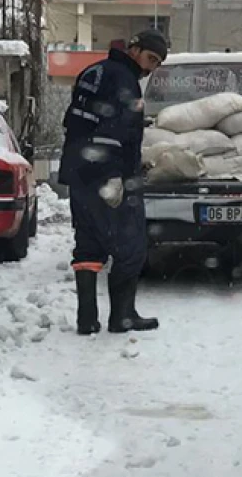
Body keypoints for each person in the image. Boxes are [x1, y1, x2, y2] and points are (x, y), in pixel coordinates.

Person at [59, 30, 168, 335]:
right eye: (150, 58)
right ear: (134, 48)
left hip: (79, 172)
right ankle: (123, 316)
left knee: (89, 244)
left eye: (157, 63)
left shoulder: (92, 72)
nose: (150, 68)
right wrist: (115, 176)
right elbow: (113, 131)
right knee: (131, 247)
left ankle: (87, 319)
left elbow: (77, 123)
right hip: (107, 177)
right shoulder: (123, 80)